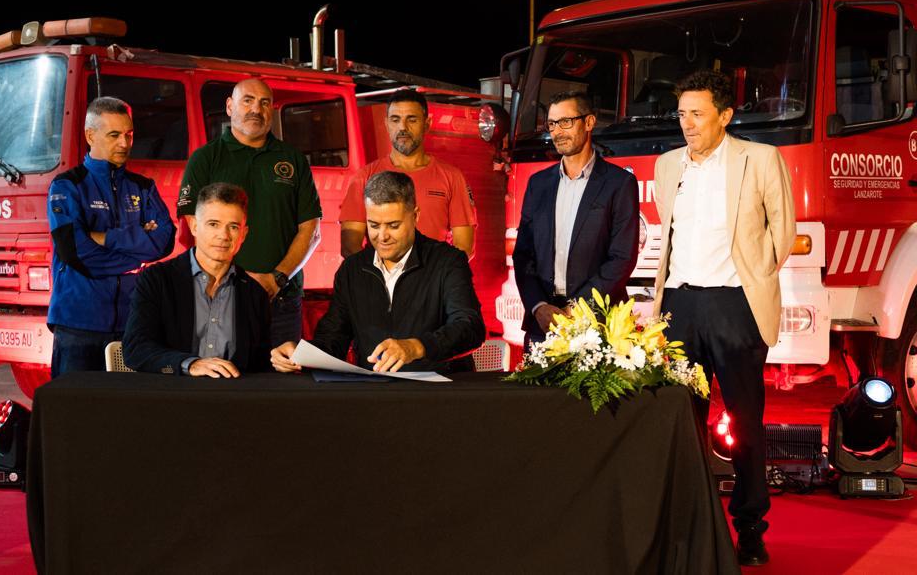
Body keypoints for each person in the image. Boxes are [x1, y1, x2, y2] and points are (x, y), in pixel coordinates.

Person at [653, 70, 795, 567]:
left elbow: (782, 231)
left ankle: (751, 529)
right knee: (679, 421)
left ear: (725, 116)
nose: (687, 124)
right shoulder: (667, 165)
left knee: (746, 424)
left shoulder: (759, 159)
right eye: (681, 114)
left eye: (697, 114)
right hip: (679, 306)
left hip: (735, 304)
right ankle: (690, 524)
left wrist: (749, 276)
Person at [272, 171, 484, 374]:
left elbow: (470, 327)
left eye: (393, 226)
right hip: (376, 394)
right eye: (373, 225)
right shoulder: (352, 270)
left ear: (415, 215)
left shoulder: (447, 261)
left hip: (438, 393)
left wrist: (417, 347)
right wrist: (301, 353)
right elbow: (332, 340)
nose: (382, 237)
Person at [176, 78, 322, 347]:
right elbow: (191, 227)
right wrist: (231, 279)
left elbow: (310, 230)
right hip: (219, 298)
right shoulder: (205, 159)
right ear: (230, 107)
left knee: (284, 384)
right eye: (248, 101)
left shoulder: (293, 160)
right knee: (222, 380)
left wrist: (276, 279)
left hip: (281, 300)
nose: (256, 109)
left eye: (264, 102)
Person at [47, 96, 176, 378]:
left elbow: (165, 241)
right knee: (74, 413)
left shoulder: (143, 187)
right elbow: (77, 254)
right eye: (114, 135)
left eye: (129, 134)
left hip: (132, 324)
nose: (125, 144)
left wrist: (105, 238)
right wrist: (138, 246)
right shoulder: (67, 186)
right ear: (90, 135)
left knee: (126, 417)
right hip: (78, 324)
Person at [512, 91, 639, 346]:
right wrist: (538, 307)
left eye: (566, 122)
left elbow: (622, 258)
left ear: (589, 122)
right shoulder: (538, 184)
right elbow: (523, 255)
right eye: (552, 124)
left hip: (598, 325)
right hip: (543, 326)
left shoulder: (619, 183)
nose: (557, 131)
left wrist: (576, 311)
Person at [123, 183, 286, 377]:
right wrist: (190, 364)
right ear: (194, 226)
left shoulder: (254, 293)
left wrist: (282, 358)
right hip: (172, 395)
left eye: (233, 227)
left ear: (244, 234)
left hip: (232, 399)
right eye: (213, 224)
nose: (223, 236)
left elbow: (260, 364)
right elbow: (136, 349)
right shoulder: (157, 279)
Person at [339, 88, 476, 258]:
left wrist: (437, 280)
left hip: (431, 282)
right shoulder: (364, 177)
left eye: (412, 119)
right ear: (387, 123)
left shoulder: (452, 177)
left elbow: (464, 247)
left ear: (427, 124)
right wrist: (378, 280)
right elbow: (349, 246)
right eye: (395, 120)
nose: (402, 127)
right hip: (382, 283)